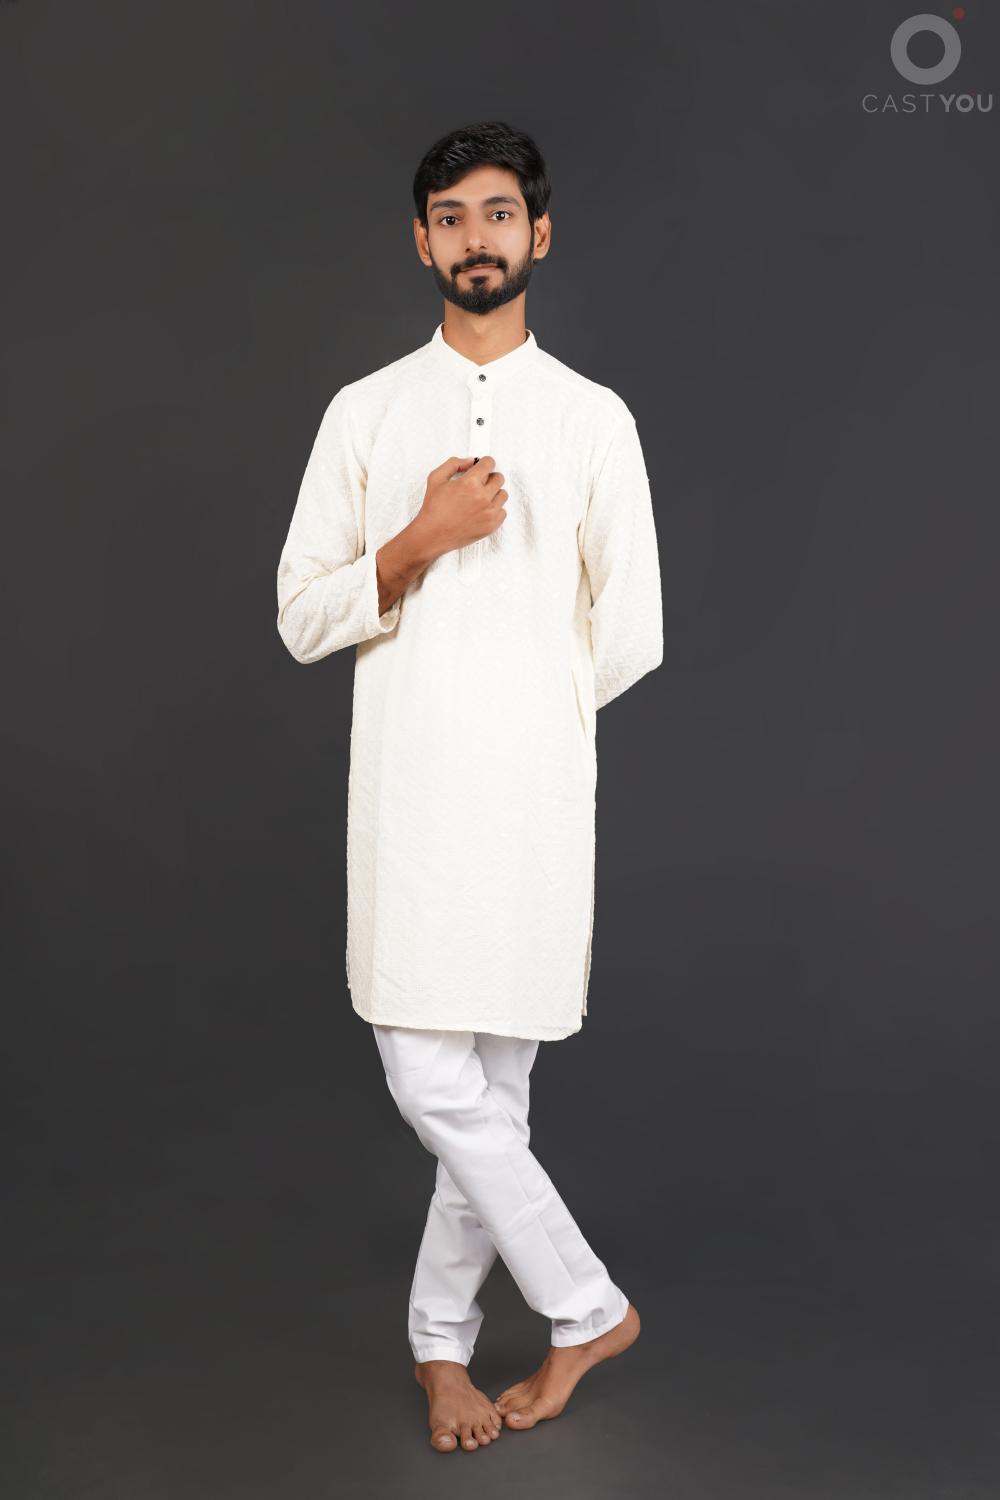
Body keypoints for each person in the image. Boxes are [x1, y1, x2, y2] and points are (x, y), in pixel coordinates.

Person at [275, 120, 663, 1453]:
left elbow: (632, 631)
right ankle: (587, 1306)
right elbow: (302, 614)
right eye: (451, 217)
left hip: (536, 808)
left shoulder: (593, 420)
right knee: (435, 1082)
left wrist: (524, 725)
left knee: (492, 1103)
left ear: (538, 234)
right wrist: (418, 542)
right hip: (408, 805)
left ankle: (442, 1352)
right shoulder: (367, 413)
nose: (476, 238)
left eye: (499, 213)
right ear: (422, 241)